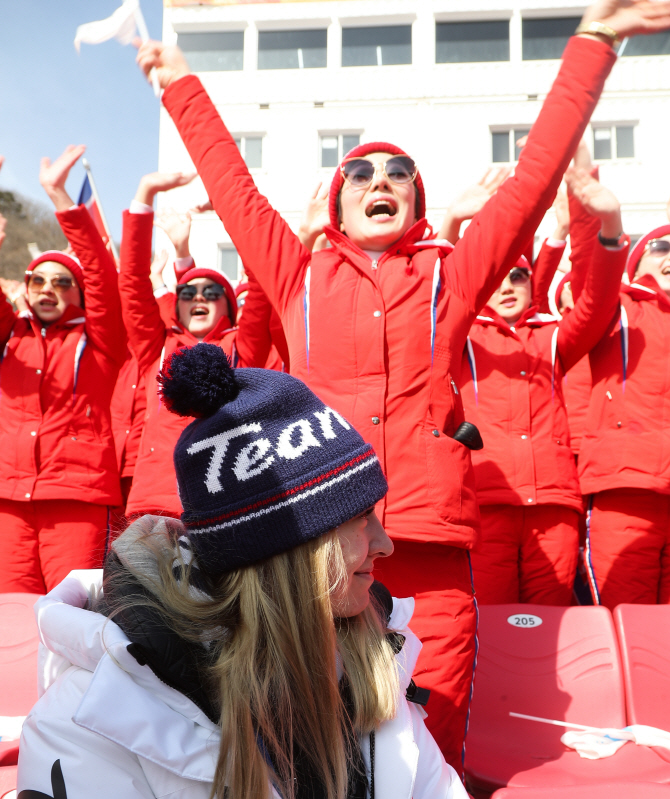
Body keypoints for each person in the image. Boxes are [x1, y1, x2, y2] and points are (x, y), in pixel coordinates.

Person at [134, 0, 670, 770]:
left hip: (429, 548)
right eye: (360, 171)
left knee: (433, 736)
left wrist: (594, 41)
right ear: (338, 199)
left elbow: (529, 183)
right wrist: (182, 82)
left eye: (397, 174)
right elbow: (235, 182)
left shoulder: (450, 279)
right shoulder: (298, 276)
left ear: (416, 203)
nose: (378, 179)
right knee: (306, 739)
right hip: (315, 551)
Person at [18, 344, 468, 799]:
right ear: (286, 551)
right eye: (360, 517)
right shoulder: (93, 718)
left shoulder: (368, 661)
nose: (385, 544)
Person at [460, 168, 628, 605]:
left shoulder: (553, 336)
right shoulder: (461, 336)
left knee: (555, 629)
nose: (509, 285)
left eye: (518, 276)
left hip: (554, 505)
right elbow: (436, 296)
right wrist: (453, 225)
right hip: (488, 501)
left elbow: (596, 303)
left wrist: (608, 229)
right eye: (498, 277)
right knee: (490, 625)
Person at [0, 145, 125, 594]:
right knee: (8, 621)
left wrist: (59, 199)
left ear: (79, 292)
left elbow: (102, 277)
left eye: (61, 281)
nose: (47, 288)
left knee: (71, 621)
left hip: (76, 498)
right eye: (37, 280)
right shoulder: (10, 331)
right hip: (8, 500)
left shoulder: (101, 340)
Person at [578, 215, 670, 607]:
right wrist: (593, 208)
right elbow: (590, 272)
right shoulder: (621, 307)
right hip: (628, 489)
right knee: (626, 620)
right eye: (661, 247)